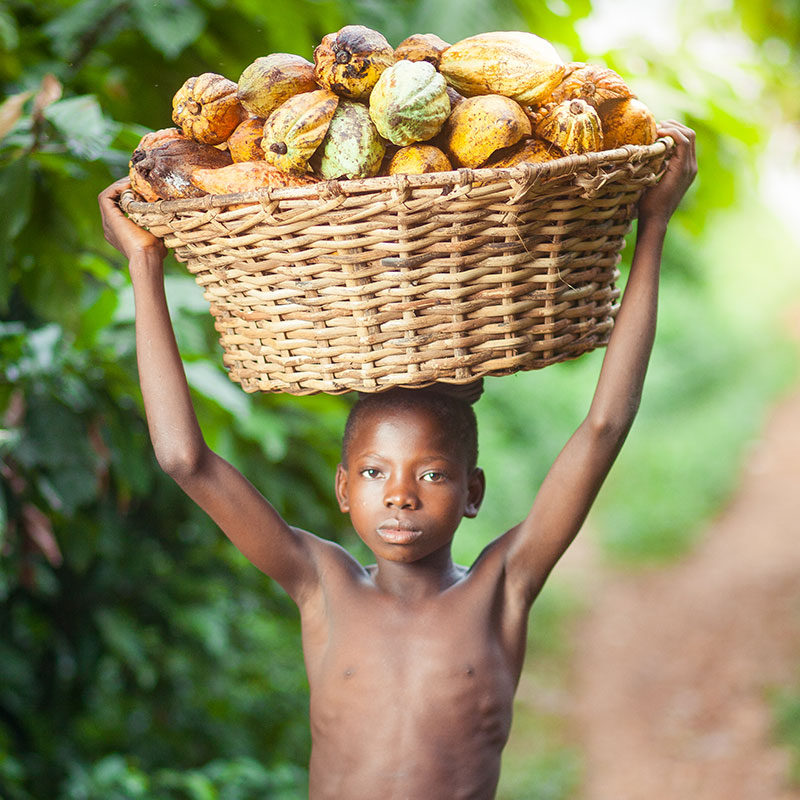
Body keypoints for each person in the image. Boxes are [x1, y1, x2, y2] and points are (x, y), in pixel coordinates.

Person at [98, 121, 697, 800]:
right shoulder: (320, 584)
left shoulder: (503, 587)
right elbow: (184, 460)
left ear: (473, 490)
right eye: (376, 473)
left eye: (432, 473)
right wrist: (143, 265)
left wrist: (652, 226)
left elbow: (604, 426)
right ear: (343, 488)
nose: (401, 496)